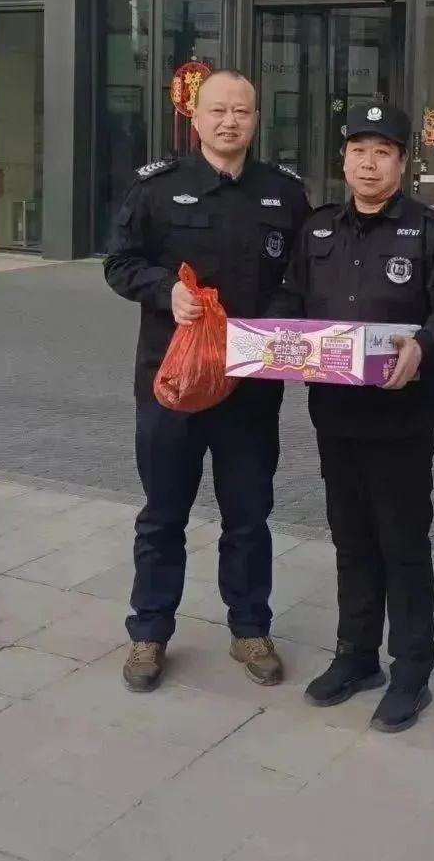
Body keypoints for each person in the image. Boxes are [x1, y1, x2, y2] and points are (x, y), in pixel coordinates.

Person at [271, 102, 434, 732]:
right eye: (358, 150)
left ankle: (412, 670)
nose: (369, 163)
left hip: (402, 419)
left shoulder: (432, 231)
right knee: (351, 539)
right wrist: (268, 338)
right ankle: (357, 656)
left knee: (403, 543)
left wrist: (426, 344)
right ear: (344, 159)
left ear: (402, 162)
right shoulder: (318, 231)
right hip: (335, 415)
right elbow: (290, 300)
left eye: (382, 152)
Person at [103, 70, 309, 693]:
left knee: (248, 516)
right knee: (163, 515)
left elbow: (301, 277)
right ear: (195, 119)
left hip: (250, 386)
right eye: (217, 110)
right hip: (173, 384)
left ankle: (250, 628)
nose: (229, 121)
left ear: (255, 119)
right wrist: (164, 290)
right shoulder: (157, 189)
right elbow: (120, 262)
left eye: (241, 111)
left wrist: (277, 326)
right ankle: (149, 633)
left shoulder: (283, 194)